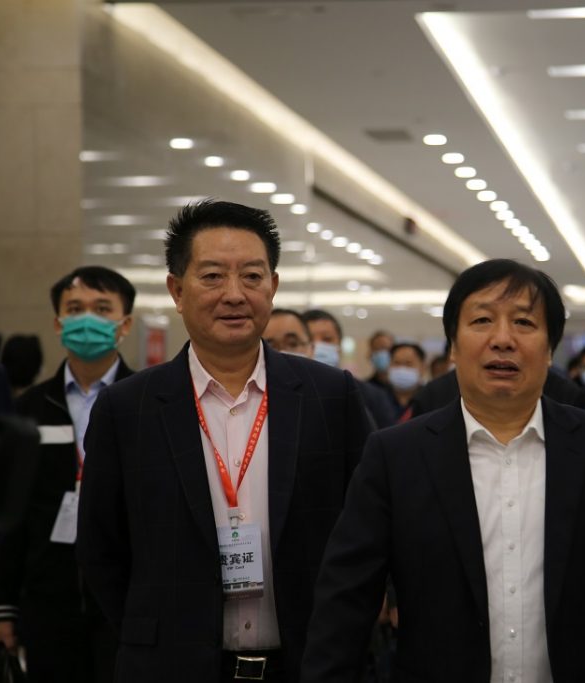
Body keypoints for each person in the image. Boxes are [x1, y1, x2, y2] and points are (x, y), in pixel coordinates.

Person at [301, 258, 585, 683]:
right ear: (453, 345)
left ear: (550, 348)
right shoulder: (395, 455)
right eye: (481, 320)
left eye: (524, 323)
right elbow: (345, 604)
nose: (503, 339)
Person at [76, 200, 371, 683]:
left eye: (252, 276)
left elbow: (367, 530)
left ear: (273, 286)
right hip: (170, 667)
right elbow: (100, 547)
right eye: (212, 276)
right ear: (177, 290)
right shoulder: (127, 409)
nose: (234, 294)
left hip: (311, 663)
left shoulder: (330, 395)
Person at [0, 265, 136, 683]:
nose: (87, 319)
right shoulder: (28, 409)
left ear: (124, 324)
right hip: (47, 604)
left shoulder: (147, 402)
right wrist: (1, 607)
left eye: (102, 309)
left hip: (130, 603)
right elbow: (9, 514)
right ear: (58, 323)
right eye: (74, 309)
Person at [387, 342, 426, 413]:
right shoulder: (379, 398)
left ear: (422, 367)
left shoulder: (430, 398)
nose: (402, 369)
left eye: (409, 363)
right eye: (397, 363)